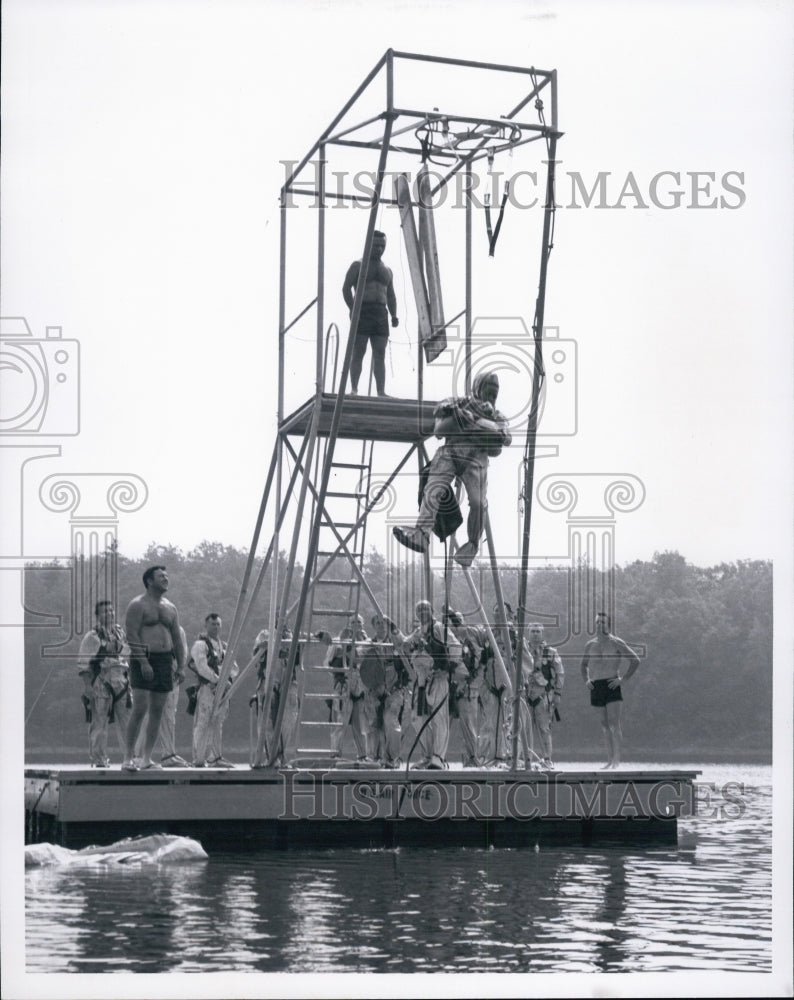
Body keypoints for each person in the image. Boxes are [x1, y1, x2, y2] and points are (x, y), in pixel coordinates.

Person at [392, 372, 512, 567]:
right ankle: (421, 533)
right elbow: (440, 417)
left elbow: (504, 437)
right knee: (433, 489)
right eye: (488, 392)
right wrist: (454, 411)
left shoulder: (497, 416)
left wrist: (473, 422)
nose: (490, 398)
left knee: (478, 503)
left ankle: (472, 545)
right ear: (478, 389)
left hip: (475, 460)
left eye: (494, 395)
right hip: (450, 453)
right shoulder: (461, 403)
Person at [123, 565, 186, 771]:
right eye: (161, 576)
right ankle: (127, 758)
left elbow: (177, 639)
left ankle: (147, 759)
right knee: (140, 708)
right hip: (143, 658)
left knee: (158, 710)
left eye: (167, 576)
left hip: (164, 660)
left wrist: (181, 666)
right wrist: (142, 662)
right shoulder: (137, 605)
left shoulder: (171, 607)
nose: (166, 579)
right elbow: (131, 635)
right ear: (149, 581)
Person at [341, 230, 399, 396]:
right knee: (359, 351)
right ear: (368, 245)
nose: (379, 249)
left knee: (379, 353)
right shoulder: (357, 265)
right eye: (376, 246)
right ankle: (354, 389)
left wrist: (394, 315)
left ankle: (381, 391)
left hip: (381, 313)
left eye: (382, 246)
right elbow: (346, 288)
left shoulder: (387, 270)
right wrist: (353, 308)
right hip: (363, 310)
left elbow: (391, 295)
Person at [404, 600, 460, 769]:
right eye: (419, 610)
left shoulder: (441, 629)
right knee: (417, 717)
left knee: (439, 718)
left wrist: (448, 668)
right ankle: (427, 755)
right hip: (422, 680)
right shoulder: (417, 633)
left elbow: (456, 647)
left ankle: (438, 757)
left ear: (432, 611)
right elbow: (405, 644)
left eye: (425, 609)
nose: (422, 612)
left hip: (438, 678)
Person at [580, 612, 640, 769]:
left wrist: (623, 679)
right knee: (604, 725)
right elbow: (583, 665)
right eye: (598, 622)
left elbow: (635, 660)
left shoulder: (616, 643)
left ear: (609, 625)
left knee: (614, 724)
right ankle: (608, 760)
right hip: (596, 685)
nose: (600, 624)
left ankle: (616, 760)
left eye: (603, 622)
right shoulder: (590, 645)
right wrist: (586, 680)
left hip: (612, 683)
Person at [77, 601, 132, 767]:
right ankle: (99, 758)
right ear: (98, 616)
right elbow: (83, 663)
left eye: (111, 610)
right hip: (102, 678)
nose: (109, 613)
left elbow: (128, 651)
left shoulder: (120, 633)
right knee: (99, 722)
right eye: (105, 611)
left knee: (127, 721)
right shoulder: (92, 637)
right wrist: (87, 687)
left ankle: (130, 758)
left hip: (121, 678)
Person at [359, 613, 414, 767]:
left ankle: (391, 758)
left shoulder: (396, 644)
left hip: (394, 690)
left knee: (391, 722)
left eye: (384, 623)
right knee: (372, 725)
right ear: (373, 626)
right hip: (373, 691)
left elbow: (406, 644)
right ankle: (373, 758)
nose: (381, 626)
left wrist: (395, 628)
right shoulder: (367, 645)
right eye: (378, 623)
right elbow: (358, 660)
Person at [135, 625, 189, 767]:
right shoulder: (144, 628)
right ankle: (138, 755)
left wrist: (181, 668)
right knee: (147, 714)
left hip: (171, 676)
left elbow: (182, 651)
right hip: (151, 675)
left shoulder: (178, 629)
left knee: (169, 715)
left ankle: (168, 754)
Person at [189, 613, 238, 768]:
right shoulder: (200, 645)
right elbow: (201, 667)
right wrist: (217, 680)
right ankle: (199, 758)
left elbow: (234, 668)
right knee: (203, 722)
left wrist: (226, 681)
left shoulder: (224, 646)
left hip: (222, 690)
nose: (216, 627)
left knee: (218, 723)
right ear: (206, 626)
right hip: (207, 689)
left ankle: (215, 757)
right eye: (212, 624)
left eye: (218, 624)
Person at [443, 607, 486, 768]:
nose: (456, 624)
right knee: (442, 724)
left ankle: (473, 757)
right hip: (448, 687)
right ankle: (438, 757)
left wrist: (470, 684)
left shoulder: (472, 643)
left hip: (467, 689)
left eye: (458, 620)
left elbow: (479, 666)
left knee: (468, 724)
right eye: (453, 622)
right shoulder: (445, 642)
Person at [253, 624, 301, 766]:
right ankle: (271, 757)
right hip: (269, 681)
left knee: (289, 719)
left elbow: (307, 638)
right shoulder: (265, 634)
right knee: (268, 722)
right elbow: (256, 657)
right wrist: (265, 647)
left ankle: (282, 753)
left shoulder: (293, 634)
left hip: (288, 682)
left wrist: (320, 634)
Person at [523, 623, 564, 770]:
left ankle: (547, 758)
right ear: (528, 633)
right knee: (523, 728)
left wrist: (557, 693)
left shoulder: (550, 652)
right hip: (524, 694)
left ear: (542, 633)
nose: (535, 634)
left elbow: (560, 673)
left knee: (544, 728)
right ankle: (524, 758)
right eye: (532, 631)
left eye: (538, 631)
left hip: (543, 695)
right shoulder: (521, 649)